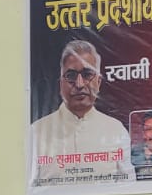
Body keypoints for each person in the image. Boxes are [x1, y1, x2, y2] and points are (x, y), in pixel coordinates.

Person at [30, 40, 130, 182]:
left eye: (87, 74)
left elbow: (128, 185)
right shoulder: (37, 131)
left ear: (98, 82)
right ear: (61, 84)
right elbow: (27, 186)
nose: (79, 84)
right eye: (71, 76)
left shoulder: (116, 130)